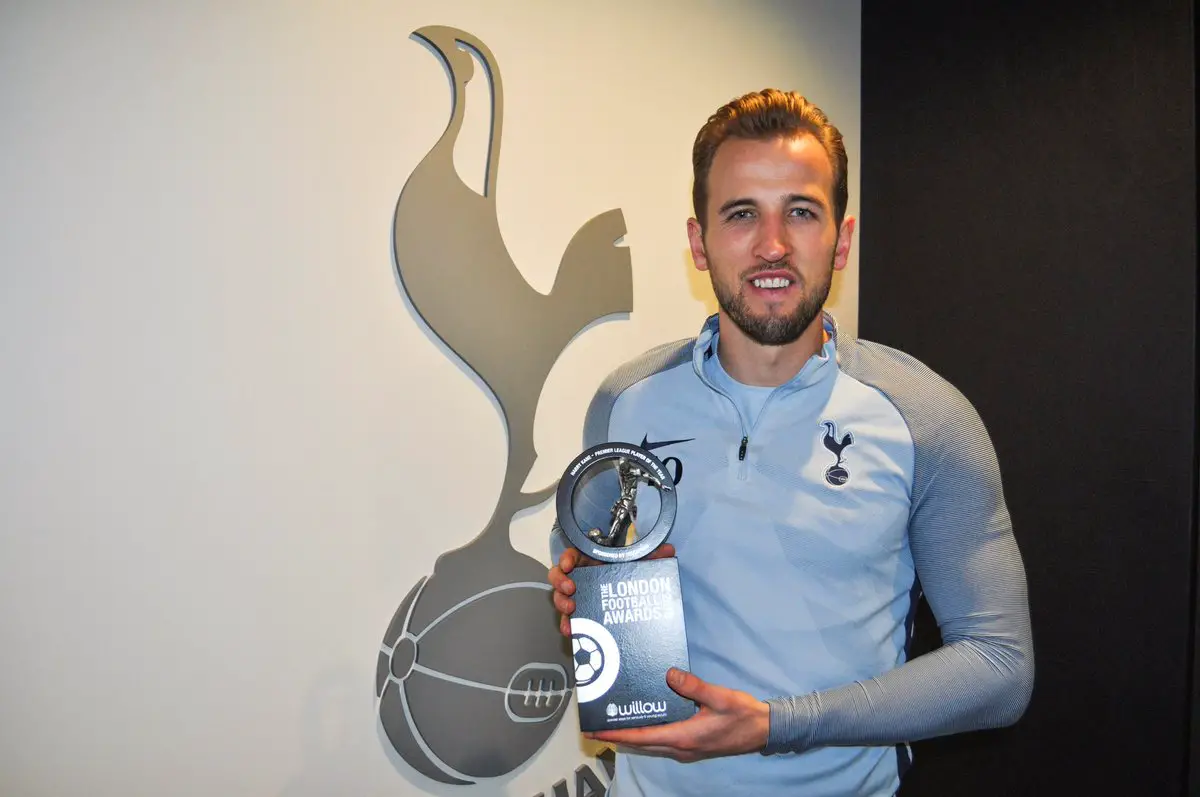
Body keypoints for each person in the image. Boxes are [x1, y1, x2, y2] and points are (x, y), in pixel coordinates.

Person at [547, 89, 1034, 796]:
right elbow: (584, 564)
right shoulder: (626, 400)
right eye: (741, 213)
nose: (772, 245)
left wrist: (778, 724)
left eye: (801, 212)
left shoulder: (924, 416)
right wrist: (578, 596)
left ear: (842, 239)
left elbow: (999, 667)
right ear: (698, 243)